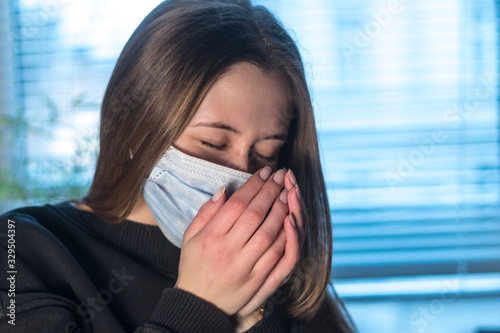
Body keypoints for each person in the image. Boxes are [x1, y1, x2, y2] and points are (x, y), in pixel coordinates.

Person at [0, 0, 356, 332]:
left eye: (265, 153)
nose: (241, 175)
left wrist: (254, 315)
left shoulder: (275, 265)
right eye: (212, 144)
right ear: (136, 131)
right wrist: (200, 305)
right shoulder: (19, 249)